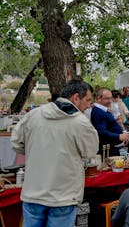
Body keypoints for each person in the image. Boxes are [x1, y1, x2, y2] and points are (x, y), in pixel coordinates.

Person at [11, 80, 99, 227]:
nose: (89, 105)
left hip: (34, 193)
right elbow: (90, 152)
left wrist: (36, 152)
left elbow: (16, 143)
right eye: (88, 100)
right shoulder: (81, 123)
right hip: (63, 197)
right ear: (76, 98)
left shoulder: (33, 115)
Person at [91, 88, 129, 156]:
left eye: (111, 98)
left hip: (113, 148)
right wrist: (119, 137)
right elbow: (101, 132)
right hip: (108, 150)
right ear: (98, 99)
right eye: (107, 98)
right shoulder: (98, 112)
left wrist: (123, 133)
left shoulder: (102, 110)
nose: (110, 101)